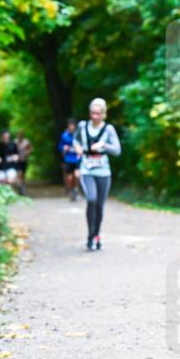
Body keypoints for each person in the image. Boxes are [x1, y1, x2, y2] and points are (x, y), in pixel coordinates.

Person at [73, 98, 121, 251]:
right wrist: (77, 148)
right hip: (87, 170)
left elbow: (117, 150)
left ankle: (96, 235)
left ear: (103, 114)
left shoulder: (108, 129)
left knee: (100, 206)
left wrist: (104, 145)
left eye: (98, 114)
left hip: (103, 172)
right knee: (91, 199)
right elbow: (75, 140)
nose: (95, 116)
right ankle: (90, 235)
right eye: (92, 113)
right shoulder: (82, 126)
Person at [59, 118, 81, 201]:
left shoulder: (78, 135)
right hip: (68, 159)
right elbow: (60, 146)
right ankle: (71, 190)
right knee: (70, 177)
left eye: (73, 125)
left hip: (77, 158)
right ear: (68, 126)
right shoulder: (64, 135)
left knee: (77, 175)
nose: (72, 127)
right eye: (70, 125)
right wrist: (64, 148)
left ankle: (76, 190)